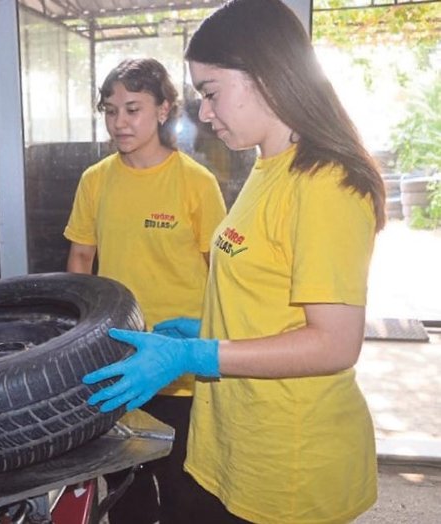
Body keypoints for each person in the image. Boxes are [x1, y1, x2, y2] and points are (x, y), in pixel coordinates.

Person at [83, 1, 386, 523]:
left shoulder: (326, 184)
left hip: (289, 461)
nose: (204, 113)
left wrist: (196, 355)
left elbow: (335, 343)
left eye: (211, 92)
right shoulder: (269, 167)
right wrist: (208, 330)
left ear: (265, 76)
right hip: (236, 442)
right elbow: (271, 297)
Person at [64, 58, 226, 524]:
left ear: (163, 110)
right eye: (110, 110)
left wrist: (214, 342)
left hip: (180, 367)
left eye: (133, 109)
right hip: (118, 362)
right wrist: (80, 343)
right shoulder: (95, 180)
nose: (120, 122)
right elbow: (81, 261)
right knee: (125, 491)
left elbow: (221, 276)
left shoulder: (196, 182)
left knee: (184, 491)